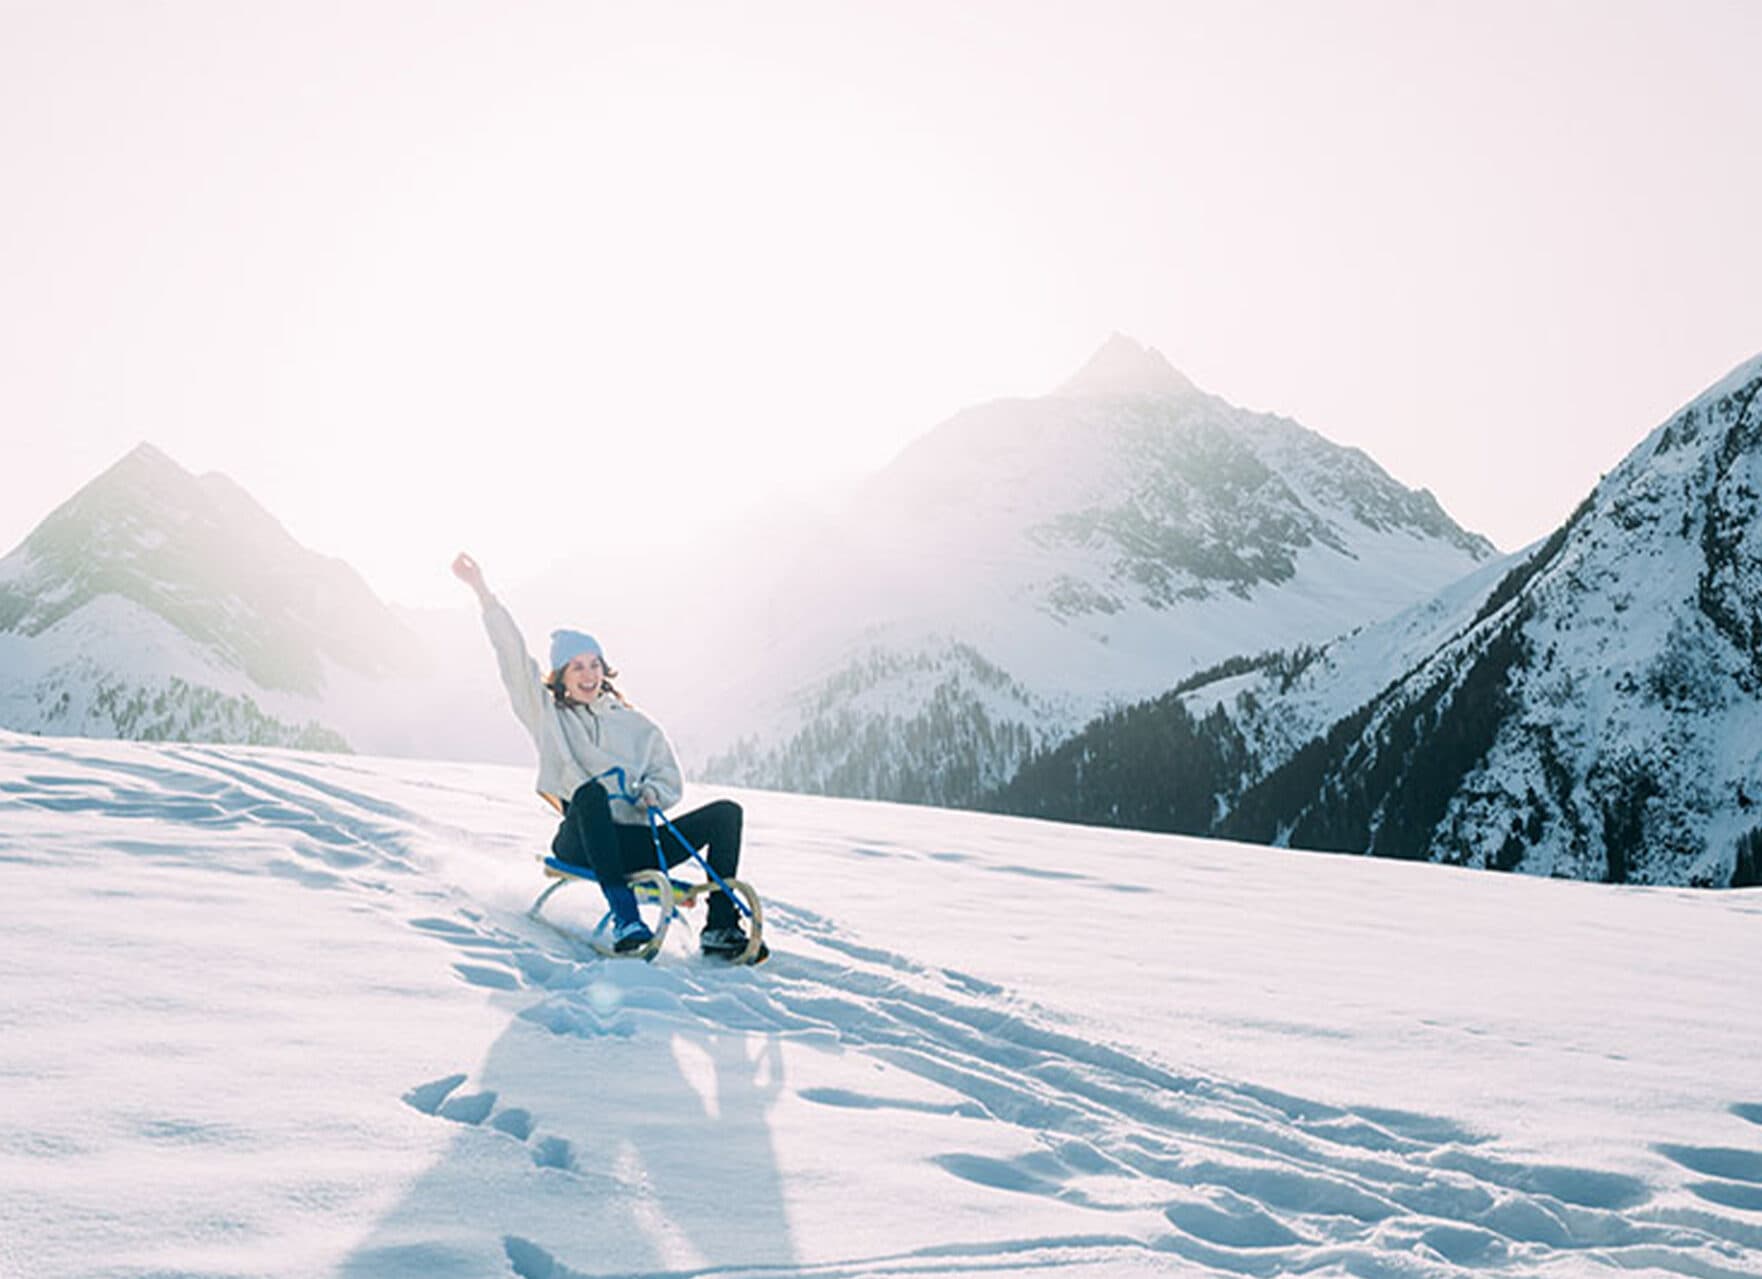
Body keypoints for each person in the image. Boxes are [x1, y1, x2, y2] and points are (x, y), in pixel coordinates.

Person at [451, 552, 761, 961]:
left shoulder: (635, 724)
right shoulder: (547, 715)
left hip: (638, 840)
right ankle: (626, 918)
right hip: (582, 838)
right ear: (560, 675)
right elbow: (512, 657)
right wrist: (482, 593)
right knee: (591, 792)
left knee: (726, 813)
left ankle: (720, 926)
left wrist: (653, 791)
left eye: (594, 665)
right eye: (576, 667)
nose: (588, 674)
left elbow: (668, 776)